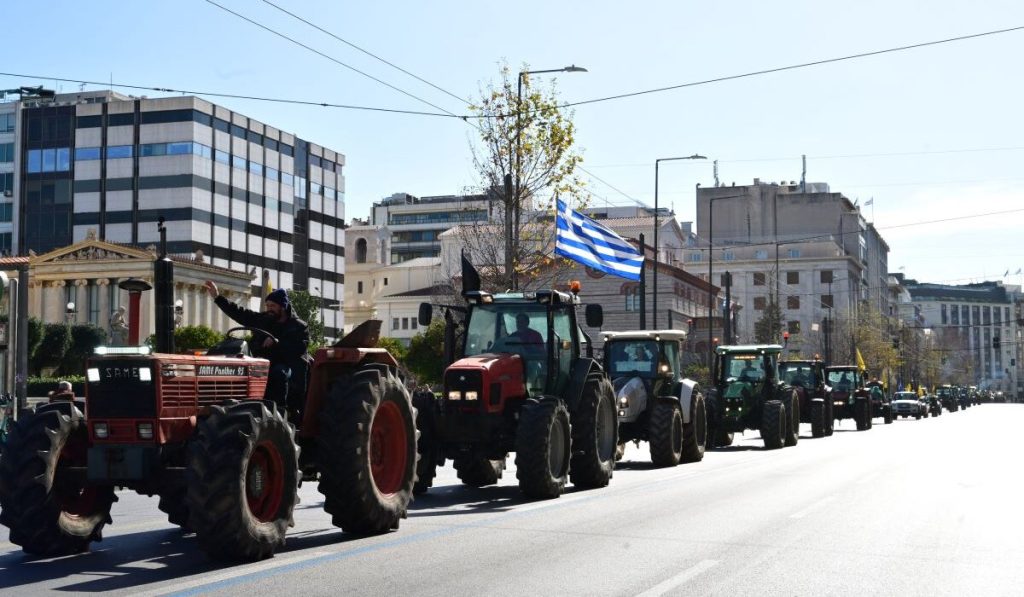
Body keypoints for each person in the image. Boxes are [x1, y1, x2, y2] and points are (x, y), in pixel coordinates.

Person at [205, 280, 309, 411]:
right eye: (267, 305)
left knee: (279, 373)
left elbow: (298, 348)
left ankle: (281, 410)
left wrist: (277, 342)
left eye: (272, 306)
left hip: (286, 364)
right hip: (261, 363)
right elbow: (239, 312)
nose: (269, 309)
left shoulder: (299, 326)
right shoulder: (263, 319)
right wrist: (218, 297)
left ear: (282, 307)